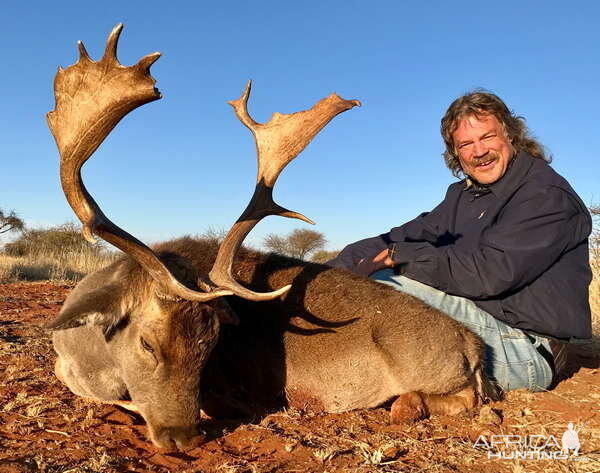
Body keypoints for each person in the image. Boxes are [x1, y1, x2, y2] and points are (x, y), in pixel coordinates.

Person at [328, 91, 592, 392]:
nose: (479, 151)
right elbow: (399, 236)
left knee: (384, 288)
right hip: (479, 324)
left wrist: (398, 256)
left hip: (524, 350)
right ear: (456, 153)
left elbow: (490, 274)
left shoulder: (544, 196)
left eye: (487, 137)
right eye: (466, 144)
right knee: (354, 286)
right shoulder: (464, 196)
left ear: (510, 135)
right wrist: (323, 275)